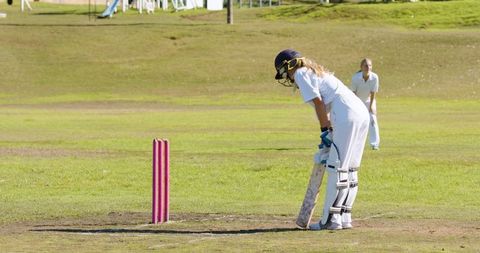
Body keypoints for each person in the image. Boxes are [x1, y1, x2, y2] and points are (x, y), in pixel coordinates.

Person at [274, 49, 369, 230]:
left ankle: (330, 220)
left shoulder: (301, 73)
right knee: (349, 168)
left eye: (284, 72)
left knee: (336, 166)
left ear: (289, 66)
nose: (286, 77)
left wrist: (325, 130)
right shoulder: (314, 71)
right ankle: (344, 217)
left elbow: (319, 103)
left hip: (345, 112)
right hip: (359, 112)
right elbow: (325, 104)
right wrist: (329, 128)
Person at [351, 58, 380, 150]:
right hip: (357, 101)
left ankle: (374, 144)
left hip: (369, 100)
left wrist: (371, 106)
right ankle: (355, 143)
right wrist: (355, 106)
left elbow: (373, 92)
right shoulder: (355, 78)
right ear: (361, 67)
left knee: (372, 119)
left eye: (370, 65)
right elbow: (353, 93)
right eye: (366, 65)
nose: (368, 67)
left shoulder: (375, 77)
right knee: (357, 121)